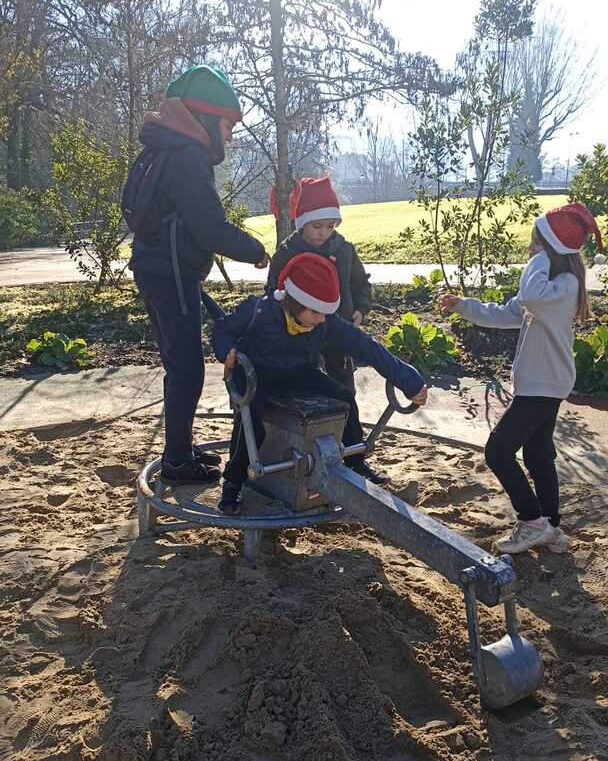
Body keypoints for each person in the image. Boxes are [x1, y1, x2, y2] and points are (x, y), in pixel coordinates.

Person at [128, 64, 269, 485]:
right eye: (228, 125)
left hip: (155, 269)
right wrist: (256, 251)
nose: (230, 136)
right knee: (187, 370)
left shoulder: (162, 150)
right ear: (206, 117)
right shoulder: (187, 157)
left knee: (179, 366)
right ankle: (176, 462)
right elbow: (209, 227)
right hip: (171, 276)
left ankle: (179, 450)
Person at [441, 202, 604, 555]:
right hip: (542, 383)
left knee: (498, 451)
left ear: (551, 248)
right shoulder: (547, 289)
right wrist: (463, 305)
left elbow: (529, 295)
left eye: (536, 243)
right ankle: (551, 527)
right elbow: (506, 313)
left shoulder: (563, 286)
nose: (530, 250)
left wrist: (541, 256)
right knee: (538, 454)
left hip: (544, 384)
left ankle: (532, 521)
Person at [213, 252, 428, 514]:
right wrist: (226, 350)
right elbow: (222, 328)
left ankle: (354, 461)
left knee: (343, 397)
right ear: (294, 302)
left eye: (327, 312)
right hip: (258, 375)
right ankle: (234, 481)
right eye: (316, 311)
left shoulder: (322, 320)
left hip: (298, 372)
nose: (323, 319)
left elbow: (365, 345)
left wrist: (407, 378)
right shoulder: (259, 310)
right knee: (250, 421)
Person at [266, 177, 372, 392]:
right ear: (302, 222)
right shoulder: (287, 253)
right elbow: (273, 291)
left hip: (339, 332)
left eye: (330, 226)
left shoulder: (344, 250)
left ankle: (345, 412)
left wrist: (362, 308)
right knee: (305, 387)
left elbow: (361, 283)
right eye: (317, 226)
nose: (323, 232)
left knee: (343, 389)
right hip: (299, 335)